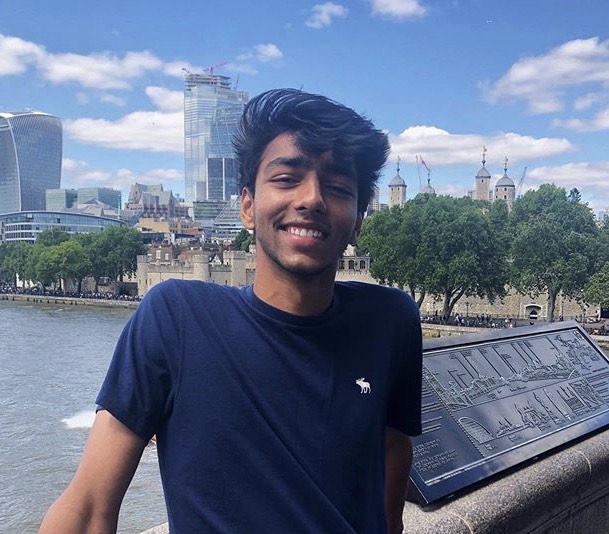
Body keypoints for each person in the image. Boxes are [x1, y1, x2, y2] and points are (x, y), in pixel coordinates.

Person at [39, 88, 422, 533]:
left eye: (338, 187)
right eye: (286, 179)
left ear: (358, 218)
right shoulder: (176, 318)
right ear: (247, 206)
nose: (312, 199)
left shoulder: (390, 319)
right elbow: (88, 507)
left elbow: (393, 448)